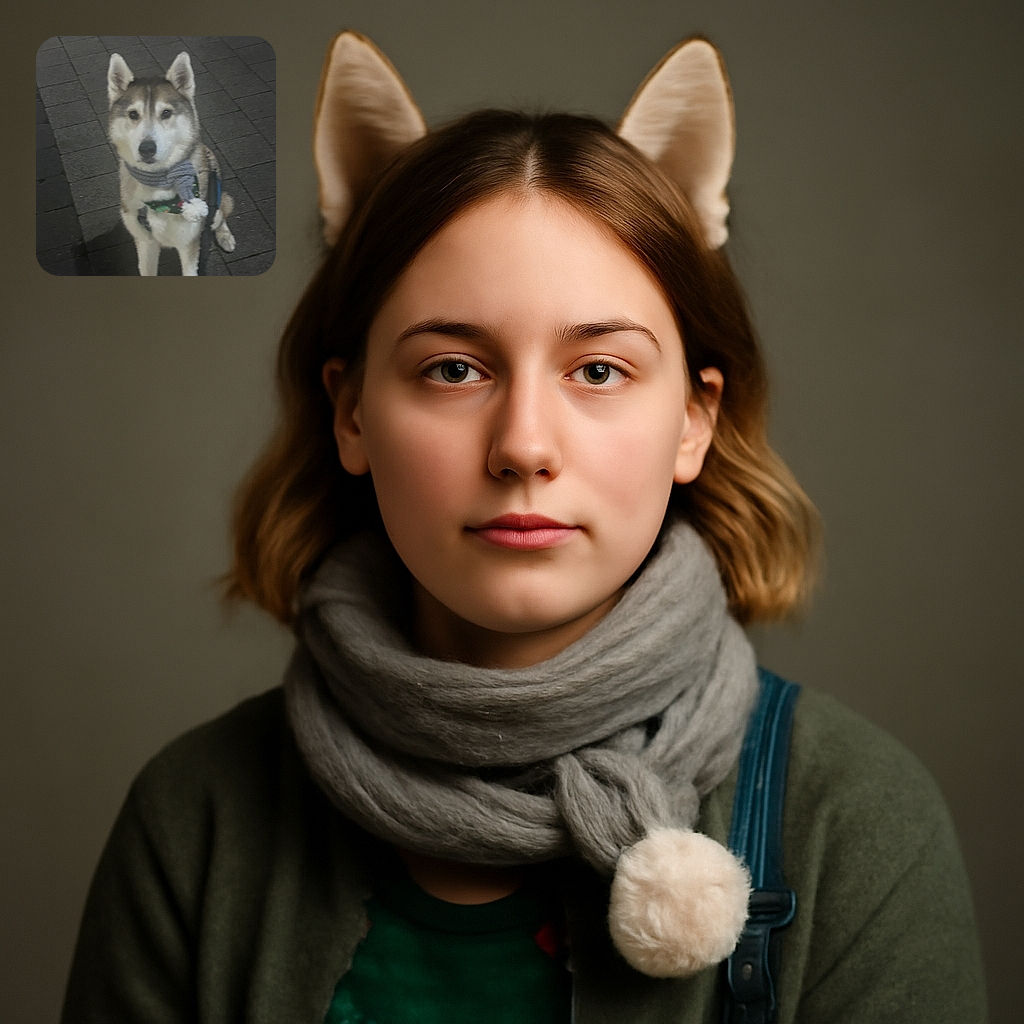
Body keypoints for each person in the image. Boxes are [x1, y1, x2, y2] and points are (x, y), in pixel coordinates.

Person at [61, 32, 986, 1024]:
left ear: (693, 419)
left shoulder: (851, 817)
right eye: (453, 368)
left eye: (598, 370)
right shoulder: (195, 817)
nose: (523, 447)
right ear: (351, 413)